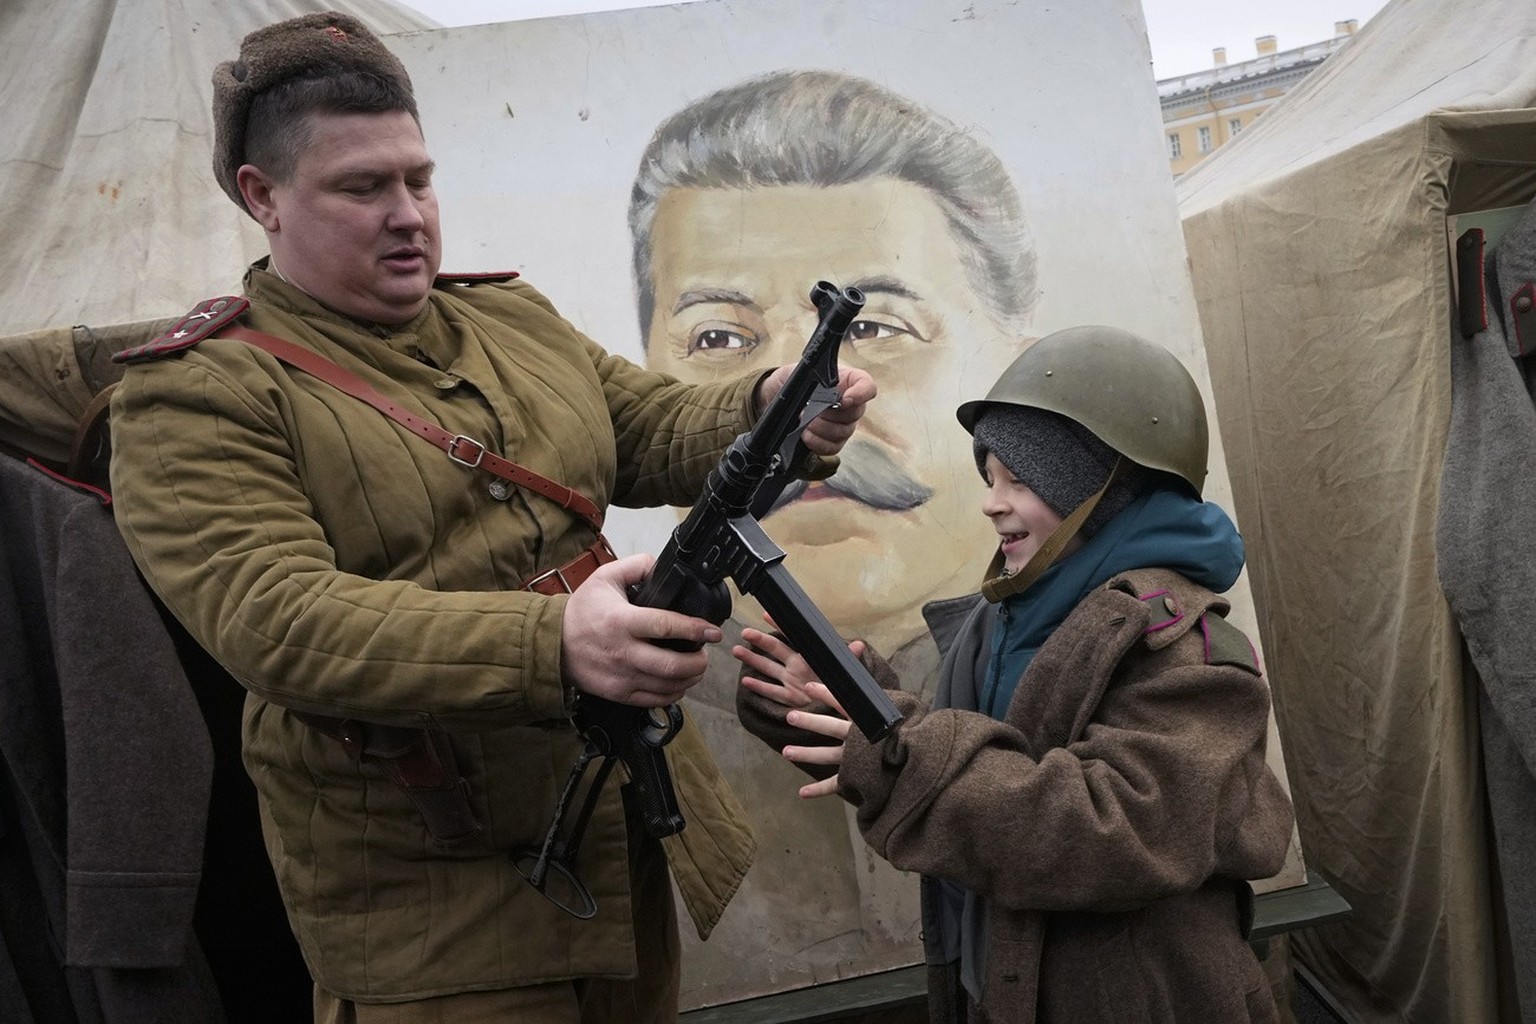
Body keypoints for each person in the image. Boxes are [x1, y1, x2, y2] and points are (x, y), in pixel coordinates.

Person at [105, 13, 873, 1023]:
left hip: (617, 837)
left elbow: (646, 427)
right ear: (263, 196)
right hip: (436, 907)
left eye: (418, 180)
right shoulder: (195, 394)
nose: (408, 214)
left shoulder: (510, 319)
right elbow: (279, 621)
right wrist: (555, 639)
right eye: (361, 187)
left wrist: (770, 405)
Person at [734, 325, 1296, 1023]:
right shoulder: (1008, 618)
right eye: (990, 477)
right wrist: (848, 698)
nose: (991, 503)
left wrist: (898, 752)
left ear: (1104, 495)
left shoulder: (1187, 647)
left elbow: (1115, 831)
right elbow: (987, 753)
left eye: (1021, 481)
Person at [633, 69, 1038, 664]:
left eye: (874, 329)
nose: (796, 407)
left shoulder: (1111, 662)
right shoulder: (598, 711)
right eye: (717, 337)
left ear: (1017, 377)